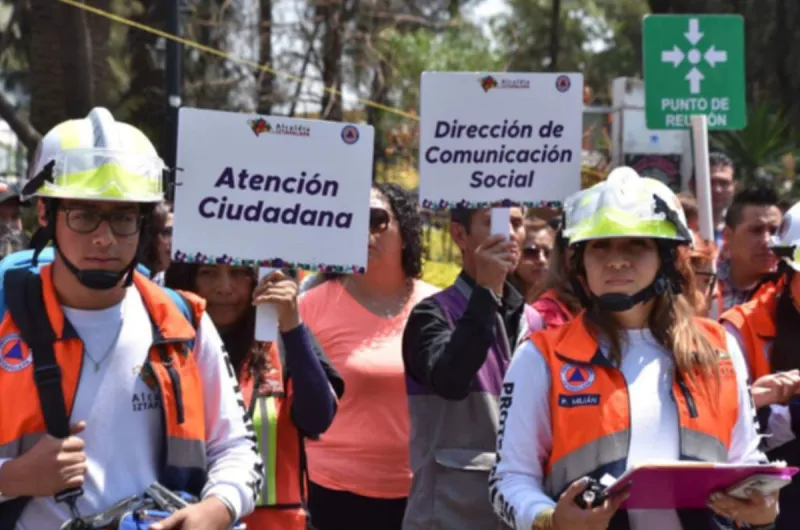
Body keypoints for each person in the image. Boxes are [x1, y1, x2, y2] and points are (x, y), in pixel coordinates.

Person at [0, 107, 262, 529]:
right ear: (45, 214)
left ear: (143, 222)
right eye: (83, 215)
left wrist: (215, 511)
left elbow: (238, 450)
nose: (104, 237)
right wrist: (11, 479)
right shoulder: (4, 317)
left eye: (122, 217)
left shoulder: (184, 322)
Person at [490, 167, 776, 530]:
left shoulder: (719, 348)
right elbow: (508, 479)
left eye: (636, 243)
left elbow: (746, 458)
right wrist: (550, 521)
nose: (617, 260)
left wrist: (764, 512)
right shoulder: (539, 357)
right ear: (578, 263)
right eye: (600, 245)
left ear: (667, 258)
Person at [299, 183, 439, 530]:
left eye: (377, 220)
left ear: (405, 233)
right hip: (330, 495)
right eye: (350, 220)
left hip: (420, 494)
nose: (363, 232)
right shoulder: (309, 307)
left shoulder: (440, 307)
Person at [165, 262, 344, 529]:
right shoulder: (160, 343)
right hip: (177, 517)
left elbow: (318, 419)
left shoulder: (284, 338)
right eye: (208, 273)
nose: (224, 288)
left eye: (239, 273)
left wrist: (292, 326)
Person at [402, 204, 536, 529]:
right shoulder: (431, 316)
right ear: (459, 234)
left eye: (517, 223)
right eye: (494, 223)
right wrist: (486, 291)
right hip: (448, 516)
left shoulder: (536, 321)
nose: (509, 235)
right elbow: (450, 379)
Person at [720, 200, 800, 528]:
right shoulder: (740, 329)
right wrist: (766, 404)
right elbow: (718, 427)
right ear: (787, 269)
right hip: (767, 507)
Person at [512, 219, 554, 303]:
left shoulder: (562, 303)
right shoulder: (499, 297)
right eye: (531, 252)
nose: (542, 260)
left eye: (548, 252)